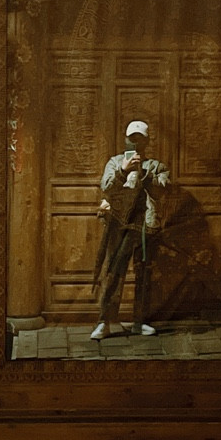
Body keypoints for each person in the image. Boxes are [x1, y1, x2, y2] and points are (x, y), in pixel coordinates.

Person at [90, 120, 170, 340]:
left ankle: (139, 322)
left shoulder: (155, 166)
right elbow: (106, 188)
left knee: (144, 274)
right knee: (113, 273)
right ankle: (104, 322)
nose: (135, 142)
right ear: (125, 139)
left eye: (139, 139)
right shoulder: (115, 162)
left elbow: (163, 190)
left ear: (147, 141)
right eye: (131, 138)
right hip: (118, 225)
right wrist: (123, 170)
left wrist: (145, 174)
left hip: (145, 226)